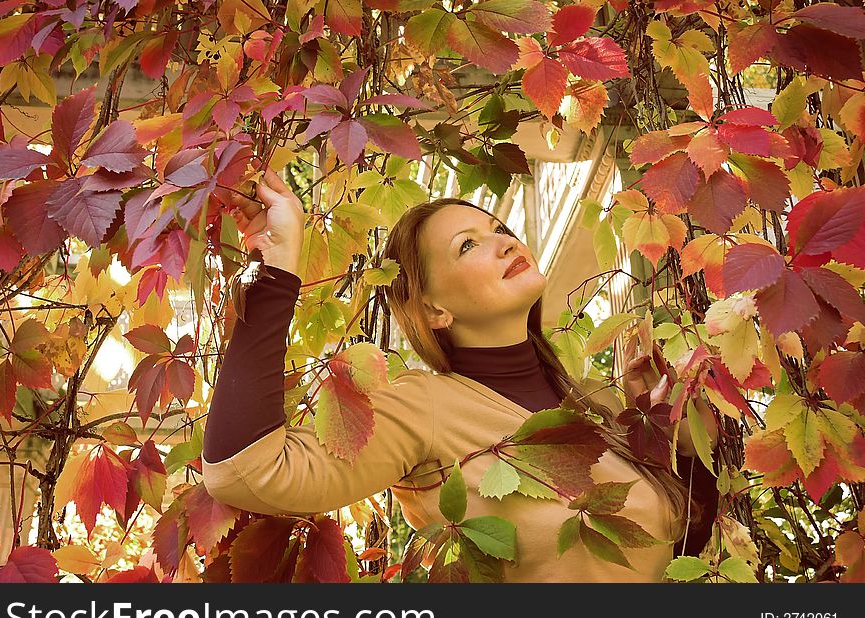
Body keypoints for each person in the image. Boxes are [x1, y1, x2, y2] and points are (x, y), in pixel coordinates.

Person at [202, 167, 720, 582]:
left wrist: (672, 434)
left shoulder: (592, 404)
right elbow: (242, 470)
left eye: (499, 230)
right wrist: (275, 270)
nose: (506, 242)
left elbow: (677, 543)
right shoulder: (423, 408)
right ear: (432, 309)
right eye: (467, 245)